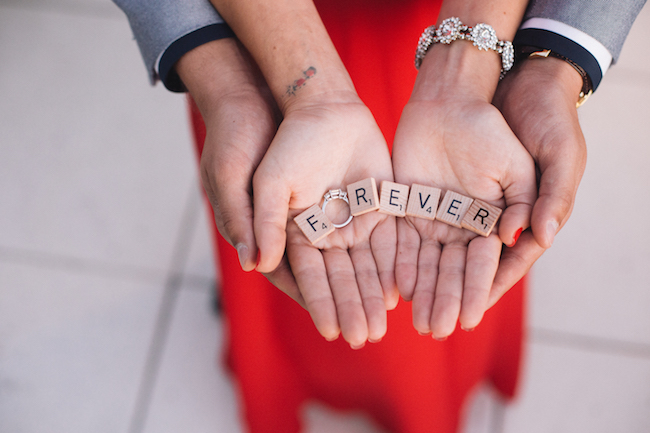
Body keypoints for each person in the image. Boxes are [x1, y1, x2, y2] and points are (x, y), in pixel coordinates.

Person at [114, 0, 646, 431]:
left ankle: (422, 400)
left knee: (435, 296)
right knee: (276, 222)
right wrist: (223, 79)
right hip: (255, 46)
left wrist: (540, 68)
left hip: (465, 36)